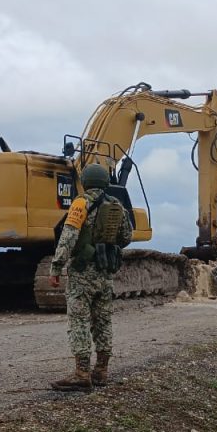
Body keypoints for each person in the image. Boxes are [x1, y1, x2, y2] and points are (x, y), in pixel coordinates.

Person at [49, 163, 133, 392]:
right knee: (103, 321)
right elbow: (126, 237)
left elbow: (68, 236)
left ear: (85, 182)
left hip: (83, 271)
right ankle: (102, 371)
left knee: (79, 322)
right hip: (105, 271)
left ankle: (82, 373)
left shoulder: (80, 203)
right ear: (105, 182)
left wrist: (56, 267)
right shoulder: (116, 205)